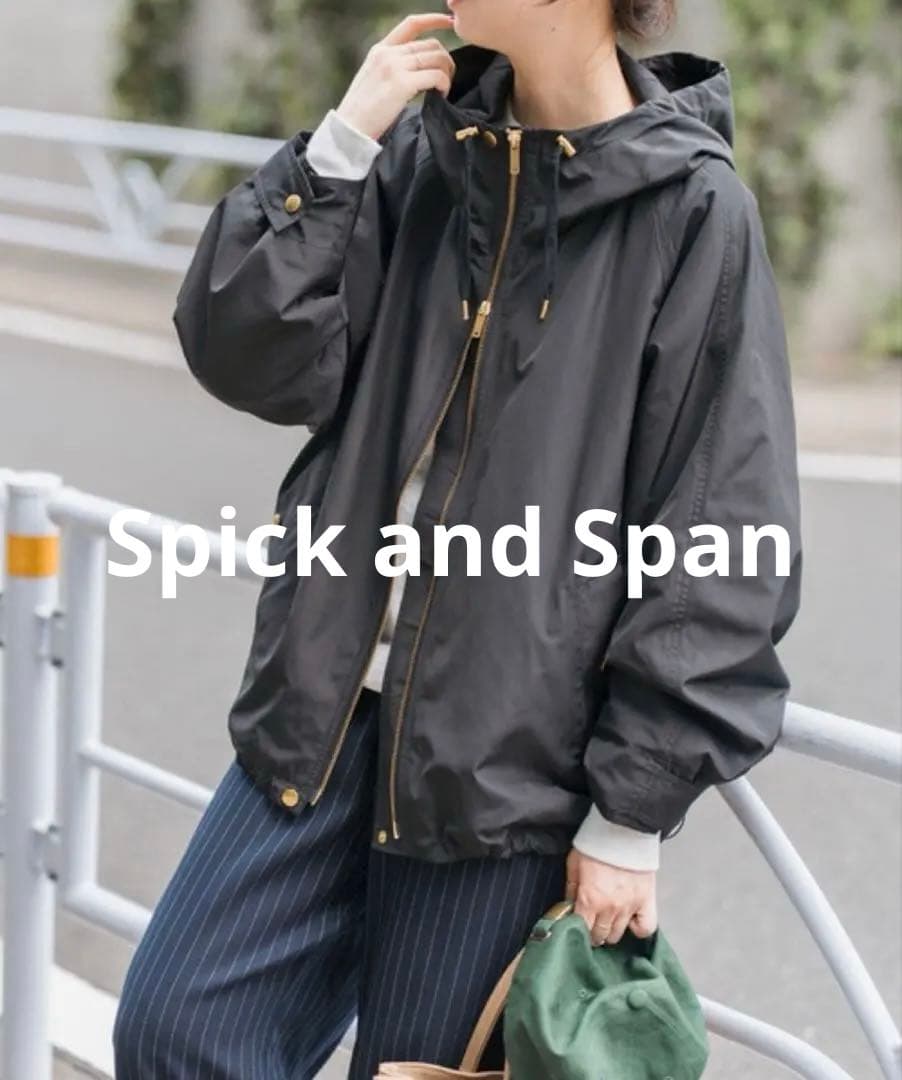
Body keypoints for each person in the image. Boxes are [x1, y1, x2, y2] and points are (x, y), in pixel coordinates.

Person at [113, 1, 801, 1076]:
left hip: (497, 773)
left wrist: (629, 817)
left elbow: (717, 529)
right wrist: (340, 147)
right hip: (324, 714)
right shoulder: (423, 156)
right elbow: (249, 356)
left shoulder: (691, 211)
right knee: (173, 1030)